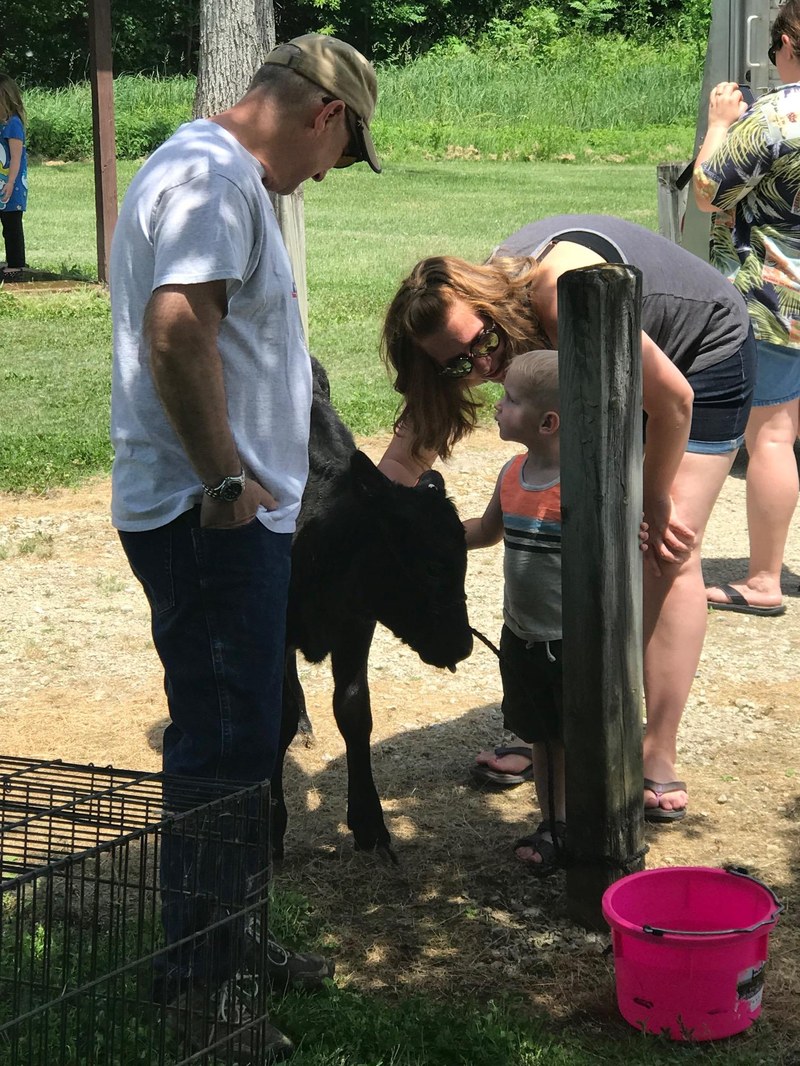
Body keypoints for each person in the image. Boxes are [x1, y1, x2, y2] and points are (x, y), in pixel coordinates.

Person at [110, 34, 380, 1060]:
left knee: (250, 732)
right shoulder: (216, 180)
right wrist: (225, 481)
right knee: (222, 755)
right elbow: (177, 325)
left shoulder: (202, 170)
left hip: (222, 515)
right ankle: (202, 1000)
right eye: (344, 151)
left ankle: (231, 947)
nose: (331, 172)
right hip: (206, 519)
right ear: (324, 114)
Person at [379, 214, 756, 824]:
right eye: (457, 364)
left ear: (487, 301)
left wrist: (654, 497)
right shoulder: (476, 328)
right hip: (610, 373)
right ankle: (551, 734)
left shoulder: (559, 293)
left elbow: (673, 400)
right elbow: (411, 445)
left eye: (483, 343)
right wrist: (377, 514)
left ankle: (653, 751)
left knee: (664, 550)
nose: (481, 365)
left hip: (696, 353)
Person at [693, 2, 800, 618]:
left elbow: (709, 192)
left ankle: (763, 580)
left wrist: (719, 122)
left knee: (773, 437)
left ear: (784, 43)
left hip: (774, 293)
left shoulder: (775, 116)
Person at [463, 351, 567, 872]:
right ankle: (553, 825)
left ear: (548, 422)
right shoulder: (512, 473)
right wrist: (426, 537)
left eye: (510, 400)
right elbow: (485, 533)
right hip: (521, 636)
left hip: (570, 641)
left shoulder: (581, 485)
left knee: (573, 739)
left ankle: (583, 824)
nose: (497, 408)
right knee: (543, 739)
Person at [0, 73, 28, 279]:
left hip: (11, 185)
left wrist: (10, 182)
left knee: (11, 223)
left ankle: (17, 262)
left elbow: (16, 158)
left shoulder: (13, 124)